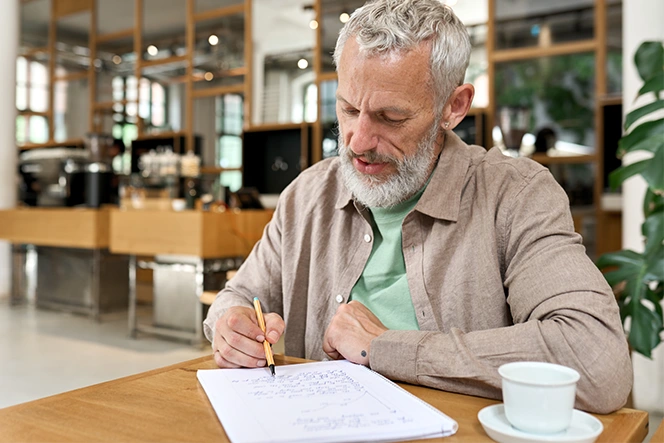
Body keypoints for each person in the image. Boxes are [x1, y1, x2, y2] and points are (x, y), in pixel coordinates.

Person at [204, 0, 632, 414]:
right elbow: (239, 295)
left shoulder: (515, 196)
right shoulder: (307, 195)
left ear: (454, 106)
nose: (357, 141)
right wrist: (230, 324)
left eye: (391, 117)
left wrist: (385, 347)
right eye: (349, 109)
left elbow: (595, 359)